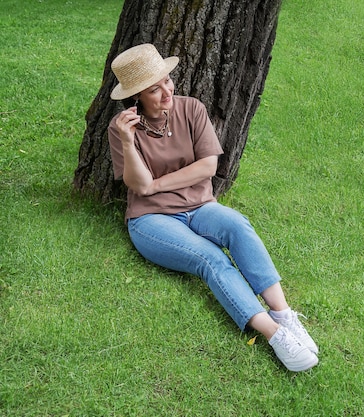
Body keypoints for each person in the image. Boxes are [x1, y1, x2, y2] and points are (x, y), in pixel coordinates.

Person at [107, 43, 318, 372]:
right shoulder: (122, 130)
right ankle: (276, 336)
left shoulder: (191, 109)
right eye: (154, 89)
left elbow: (207, 166)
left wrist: (157, 185)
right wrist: (127, 142)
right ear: (136, 97)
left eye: (166, 81)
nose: (166, 92)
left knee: (237, 226)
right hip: (151, 219)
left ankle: (284, 314)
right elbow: (137, 184)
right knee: (210, 258)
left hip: (201, 205)